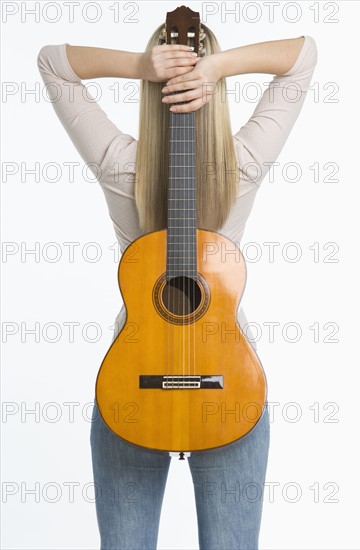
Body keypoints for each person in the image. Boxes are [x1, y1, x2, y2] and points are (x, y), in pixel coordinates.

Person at [37, 15, 317, 550]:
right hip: (228, 387)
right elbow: (303, 58)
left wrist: (143, 68)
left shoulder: (120, 165)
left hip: (131, 387)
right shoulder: (245, 164)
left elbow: (53, 62)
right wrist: (220, 67)